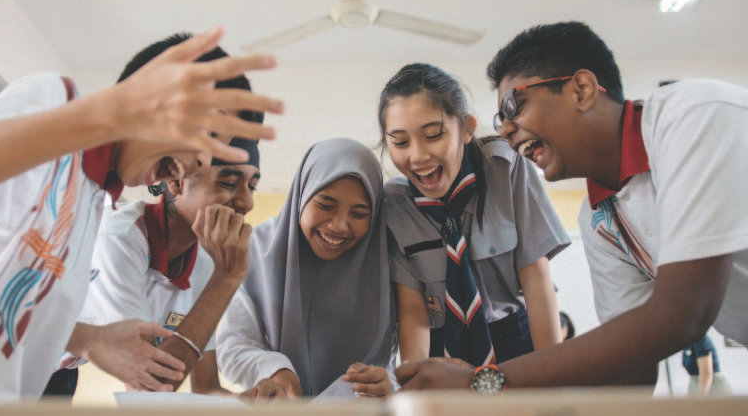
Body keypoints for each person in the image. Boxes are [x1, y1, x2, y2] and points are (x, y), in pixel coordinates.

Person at [395, 21, 748, 393]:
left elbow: (683, 315)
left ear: (581, 89)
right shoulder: (600, 221)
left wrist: (480, 383)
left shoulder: (692, 118)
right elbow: (633, 369)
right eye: (501, 120)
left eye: (515, 105)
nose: (506, 131)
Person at [0, 28, 283, 401]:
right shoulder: (57, 102)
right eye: (206, 137)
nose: (196, 164)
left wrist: (89, 339)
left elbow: (7, 305)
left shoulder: (91, 205)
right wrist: (109, 115)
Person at [44, 34, 282, 399]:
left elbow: (204, 388)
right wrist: (228, 277)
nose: (247, 202)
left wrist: (247, 401)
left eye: (252, 185)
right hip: (28, 363)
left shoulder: (102, 196)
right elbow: (150, 387)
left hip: (50, 366)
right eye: (228, 181)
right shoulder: (115, 230)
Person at [378, 63, 568, 370]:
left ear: (467, 128)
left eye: (433, 135)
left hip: (516, 337)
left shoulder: (505, 167)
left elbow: (535, 275)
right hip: (442, 348)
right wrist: (416, 378)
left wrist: (553, 371)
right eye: (400, 142)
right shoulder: (395, 205)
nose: (417, 155)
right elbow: (413, 309)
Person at [215, 138, 396, 398]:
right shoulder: (253, 251)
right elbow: (232, 347)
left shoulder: (388, 262)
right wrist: (275, 369)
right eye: (325, 205)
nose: (338, 226)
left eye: (358, 214)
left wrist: (389, 380)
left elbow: (409, 359)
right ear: (302, 194)